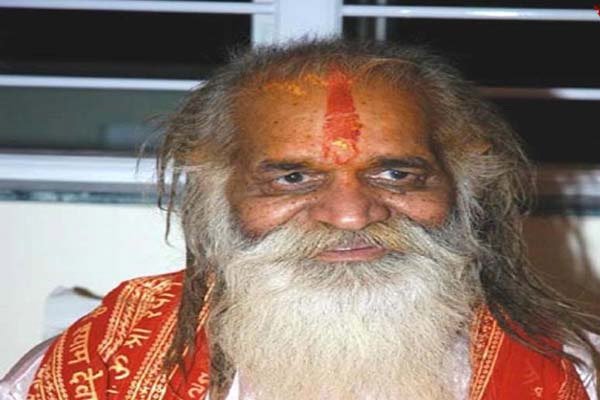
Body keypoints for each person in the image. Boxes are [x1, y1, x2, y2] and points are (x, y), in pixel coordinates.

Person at [11, 40, 600, 399]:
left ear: (462, 187)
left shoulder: (573, 374)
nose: (349, 215)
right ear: (218, 192)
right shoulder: (103, 364)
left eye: (396, 173)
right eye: (293, 178)